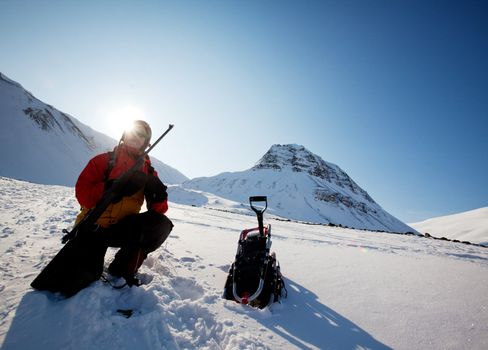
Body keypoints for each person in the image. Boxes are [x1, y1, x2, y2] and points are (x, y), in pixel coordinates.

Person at [74, 120, 173, 286]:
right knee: (84, 276)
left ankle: (121, 268)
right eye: (133, 132)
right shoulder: (103, 161)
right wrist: (109, 187)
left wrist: (159, 196)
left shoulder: (148, 172)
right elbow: (83, 195)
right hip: (93, 226)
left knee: (160, 224)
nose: (136, 136)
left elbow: (159, 211)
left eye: (141, 135)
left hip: (122, 229)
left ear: (146, 142)